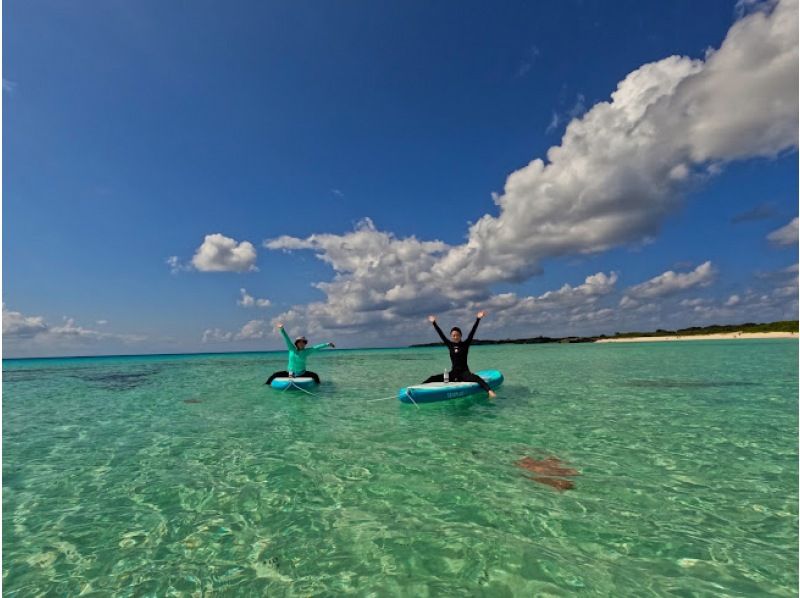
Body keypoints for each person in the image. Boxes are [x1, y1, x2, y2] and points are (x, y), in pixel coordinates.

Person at [423, 310, 497, 399]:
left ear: (460, 335)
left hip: (464, 373)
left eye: (457, 335)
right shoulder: (449, 345)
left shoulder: (465, 344)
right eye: (453, 335)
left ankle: (490, 391)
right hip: (453, 373)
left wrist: (478, 319)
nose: (455, 337)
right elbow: (441, 334)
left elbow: (472, 332)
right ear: (451, 336)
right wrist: (434, 323)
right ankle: (418, 388)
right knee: (432, 378)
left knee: (477, 378)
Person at [265, 323, 335, 385]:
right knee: (274, 375)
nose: (301, 343)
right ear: (296, 343)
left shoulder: (306, 351)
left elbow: (316, 347)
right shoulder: (291, 348)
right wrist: (282, 329)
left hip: (302, 374)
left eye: (303, 342)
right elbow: (286, 338)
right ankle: (266, 386)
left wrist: (328, 344)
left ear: (305, 344)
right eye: (300, 342)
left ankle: (318, 388)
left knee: (315, 376)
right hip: (290, 373)